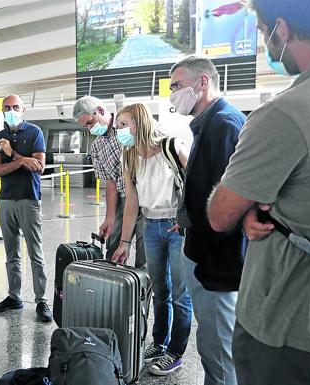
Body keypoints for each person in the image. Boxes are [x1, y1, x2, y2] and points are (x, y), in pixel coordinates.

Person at [207, 1, 310, 383]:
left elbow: (220, 214)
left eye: (262, 32)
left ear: (282, 28)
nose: (266, 43)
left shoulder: (288, 112)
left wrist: (247, 207)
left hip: (293, 331)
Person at [169, 55, 246, 385]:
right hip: (204, 254)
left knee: (219, 354)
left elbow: (227, 206)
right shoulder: (208, 124)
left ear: (203, 82)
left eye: (177, 86)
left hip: (216, 266)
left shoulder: (224, 125)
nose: (172, 94)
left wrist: (203, 253)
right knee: (213, 349)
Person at [111, 103, 193, 375]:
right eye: (118, 126)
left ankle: (176, 351)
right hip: (151, 224)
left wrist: (185, 222)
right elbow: (132, 202)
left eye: (123, 125)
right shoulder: (129, 155)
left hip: (176, 227)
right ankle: (159, 343)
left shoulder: (170, 146)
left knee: (180, 294)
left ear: (140, 122)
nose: (118, 130)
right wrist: (124, 242)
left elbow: (195, 182)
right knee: (159, 290)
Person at [0, 94, 52, 323]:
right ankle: (14, 296)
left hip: (29, 199)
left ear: (23, 110)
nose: (11, 110)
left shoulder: (34, 132)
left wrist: (13, 155)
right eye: (7, 107)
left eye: (15, 107)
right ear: (2, 111)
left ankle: (41, 300)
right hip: (5, 200)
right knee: (11, 253)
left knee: (35, 252)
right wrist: (22, 161)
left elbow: (39, 167)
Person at [72, 96, 146, 268]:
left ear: (100, 111)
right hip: (122, 199)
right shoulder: (97, 147)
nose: (89, 129)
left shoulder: (128, 130)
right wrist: (110, 217)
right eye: (85, 126)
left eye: (90, 122)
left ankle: (143, 293)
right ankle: (115, 291)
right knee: (113, 252)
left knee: (145, 254)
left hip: (145, 199)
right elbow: (110, 183)